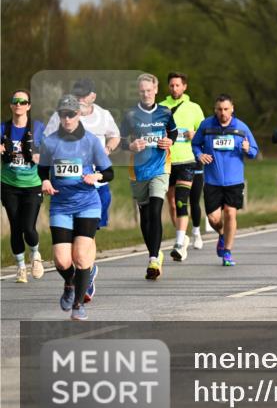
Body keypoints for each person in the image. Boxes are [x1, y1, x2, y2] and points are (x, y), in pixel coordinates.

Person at [38, 95, 115, 320]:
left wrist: (96, 176)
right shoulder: (50, 142)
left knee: (81, 256)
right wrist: (45, 180)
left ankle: (79, 305)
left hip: (87, 204)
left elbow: (109, 172)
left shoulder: (90, 141)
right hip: (61, 205)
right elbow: (43, 168)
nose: (67, 119)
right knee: (62, 260)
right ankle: (70, 283)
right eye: (63, 115)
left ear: (79, 114)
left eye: (71, 114)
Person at [121, 74, 177, 281]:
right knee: (145, 217)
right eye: (142, 91)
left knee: (155, 210)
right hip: (138, 171)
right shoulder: (130, 115)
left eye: (149, 90)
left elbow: (173, 132)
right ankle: (155, 252)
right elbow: (118, 140)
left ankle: (153, 259)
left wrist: (170, 141)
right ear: (138, 92)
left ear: (156, 90)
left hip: (161, 168)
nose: (146, 94)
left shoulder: (165, 112)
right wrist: (130, 145)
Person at [191, 94, 259, 266]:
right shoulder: (206, 125)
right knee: (213, 219)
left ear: (232, 109)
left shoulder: (241, 127)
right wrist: (199, 155)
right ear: (215, 110)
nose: (223, 113)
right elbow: (195, 144)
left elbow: (254, 151)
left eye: (226, 109)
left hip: (234, 181)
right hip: (212, 181)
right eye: (219, 109)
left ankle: (227, 252)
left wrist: (247, 149)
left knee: (230, 212)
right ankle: (222, 234)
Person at [44, 78, 121, 229]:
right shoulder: (60, 116)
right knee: (71, 228)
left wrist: (106, 150)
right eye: (77, 95)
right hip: (69, 182)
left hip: (97, 179)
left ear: (93, 96)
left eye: (84, 95)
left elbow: (115, 136)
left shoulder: (103, 114)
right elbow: (46, 141)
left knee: (91, 228)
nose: (80, 99)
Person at [160, 72, 206, 262]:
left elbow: (204, 133)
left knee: (181, 201)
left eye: (178, 85)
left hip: (187, 160)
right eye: (171, 85)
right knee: (171, 202)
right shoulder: (161, 107)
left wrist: (195, 134)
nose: (174, 88)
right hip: (167, 161)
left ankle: (179, 242)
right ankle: (183, 235)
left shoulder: (194, 108)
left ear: (184, 87)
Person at [2, 90, 47, 283]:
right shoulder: (3, 128)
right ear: (11, 105)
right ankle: (21, 267)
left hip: (32, 184)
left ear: (28, 106)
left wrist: (40, 156)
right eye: (15, 101)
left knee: (28, 227)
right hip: (9, 185)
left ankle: (35, 254)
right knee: (15, 226)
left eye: (23, 101)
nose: (18, 105)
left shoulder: (38, 127)